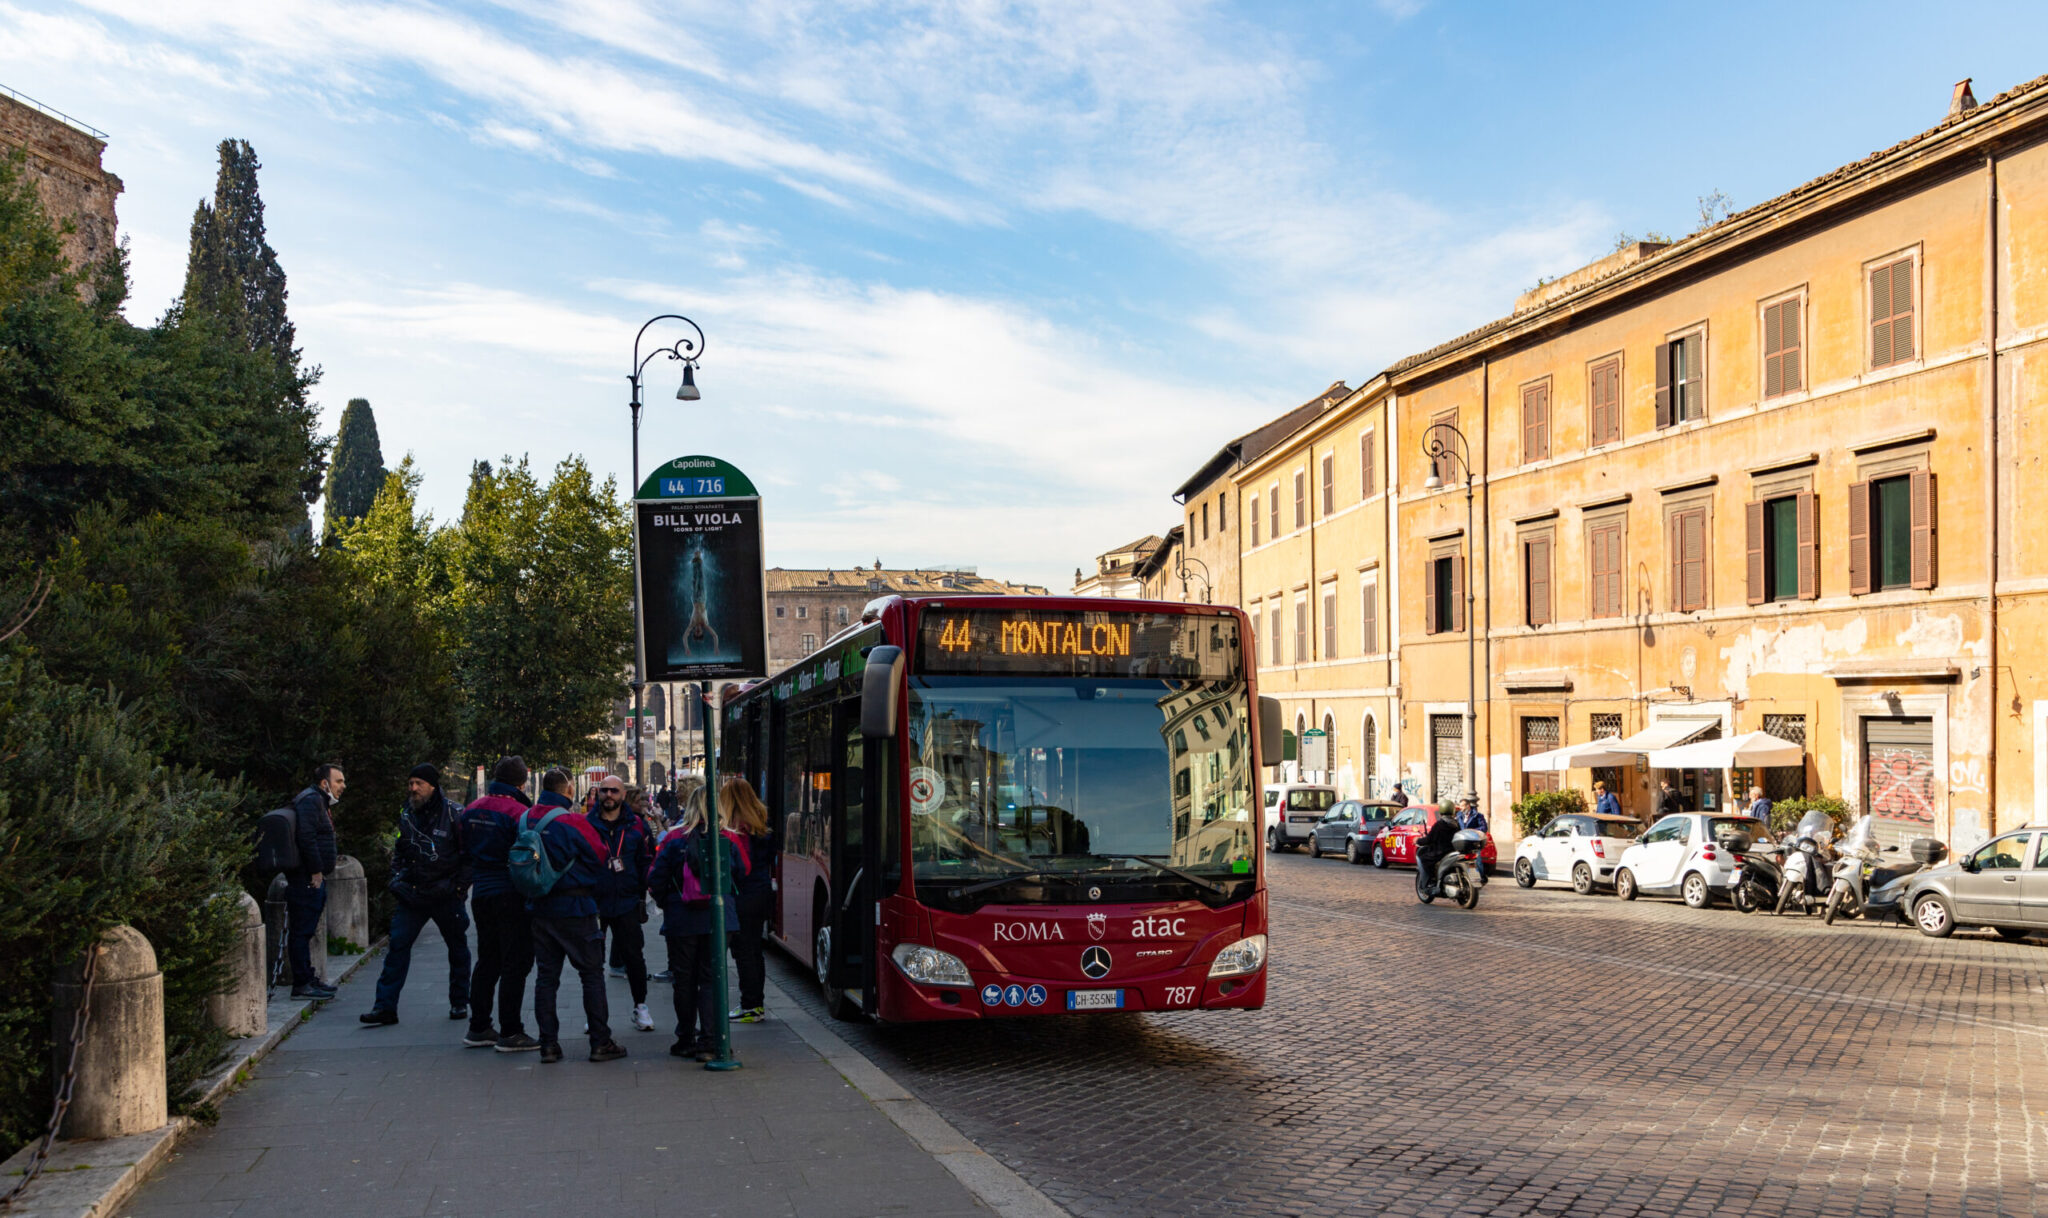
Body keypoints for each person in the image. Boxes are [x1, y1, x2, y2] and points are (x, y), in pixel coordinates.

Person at [522, 769, 627, 1064]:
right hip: (576, 908)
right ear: (569, 789)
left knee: (546, 978)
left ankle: (548, 1045)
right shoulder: (573, 822)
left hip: (539, 908)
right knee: (591, 975)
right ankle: (600, 1042)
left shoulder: (525, 819)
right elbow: (599, 856)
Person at [362, 764, 472, 1026]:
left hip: (446, 894)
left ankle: (459, 1002)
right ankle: (385, 1007)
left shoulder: (455, 814)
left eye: (418, 783)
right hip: (413, 895)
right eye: (410, 783)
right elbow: (400, 848)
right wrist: (397, 877)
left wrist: (459, 887)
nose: (413, 788)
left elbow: (468, 855)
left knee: (458, 948)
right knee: (398, 946)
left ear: (432, 786)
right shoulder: (407, 813)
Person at [649, 788, 748, 1060]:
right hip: (720, 919)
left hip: (682, 919)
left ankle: (685, 1038)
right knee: (712, 979)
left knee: (684, 980)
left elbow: (656, 877)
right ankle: (711, 1041)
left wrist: (670, 902)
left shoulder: (673, 838)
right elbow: (742, 872)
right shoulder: (728, 838)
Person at [460, 756, 539, 1052]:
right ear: (521, 782)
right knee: (515, 962)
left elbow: (462, 850)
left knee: (487, 959)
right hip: (511, 893)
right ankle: (511, 1030)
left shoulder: (471, 810)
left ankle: (478, 1025)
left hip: (481, 892)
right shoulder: (520, 813)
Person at [586, 776, 656, 1032]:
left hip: (627, 900)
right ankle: (595, 1015)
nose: (608, 795)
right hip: (595, 902)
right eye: (603, 790)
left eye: (613, 791)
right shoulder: (587, 824)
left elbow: (646, 858)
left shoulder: (636, 825)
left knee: (634, 957)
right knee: (593, 960)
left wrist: (644, 885)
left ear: (623, 795)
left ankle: (641, 1007)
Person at [284, 764, 344, 1000]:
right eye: (338, 781)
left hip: (309, 877)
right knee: (301, 931)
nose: (343, 786)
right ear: (324, 783)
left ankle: (308, 978)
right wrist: (316, 871)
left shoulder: (317, 801)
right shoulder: (311, 801)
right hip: (306, 879)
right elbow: (306, 838)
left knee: (305, 931)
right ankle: (301, 984)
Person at [723, 777, 776, 1024]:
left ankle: (750, 1005)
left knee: (743, 951)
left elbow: (739, 866)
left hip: (743, 894)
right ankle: (756, 1003)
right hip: (761, 891)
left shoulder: (737, 829)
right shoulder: (761, 824)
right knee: (755, 950)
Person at [1413, 801, 1460, 899]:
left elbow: (1429, 839)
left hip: (1440, 852)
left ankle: (1429, 883)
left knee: (1424, 859)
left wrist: (1418, 840)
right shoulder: (1456, 824)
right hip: (1452, 851)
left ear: (1441, 811)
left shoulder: (1439, 825)